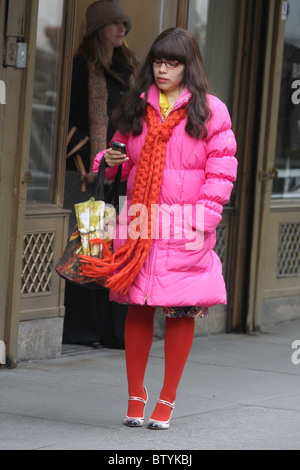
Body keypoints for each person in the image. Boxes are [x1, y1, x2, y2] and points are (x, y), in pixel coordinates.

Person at [81, 27, 238, 429]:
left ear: (189, 66)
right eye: (158, 61)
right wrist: (109, 159)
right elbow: (122, 161)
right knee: (137, 304)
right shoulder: (136, 107)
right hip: (141, 222)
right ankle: (136, 395)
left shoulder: (211, 111)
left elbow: (220, 174)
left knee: (180, 309)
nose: (163, 69)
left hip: (185, 224)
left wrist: (201, 223)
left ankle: (166, 399)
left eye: (173, 62)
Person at [63, 0, 139, 349]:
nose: (121, 29)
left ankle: (114, 332)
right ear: (98, 31)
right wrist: (91, 158)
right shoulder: (82, 68)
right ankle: (85, 330)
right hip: (92, 175)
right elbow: (72, 119)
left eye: (123, 23)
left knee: (118, 249)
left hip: (126, 174)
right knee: (92, 247)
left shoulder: (130, 68)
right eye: (114, 24)